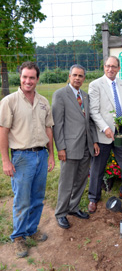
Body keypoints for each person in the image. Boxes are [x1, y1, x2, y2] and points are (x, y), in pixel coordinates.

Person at [0, 61, 55, 258]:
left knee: (38, 198)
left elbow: (49, 128)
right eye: (25, 77)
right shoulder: (9, 101)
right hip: (22, 157)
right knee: (22, 200)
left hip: (41, 154)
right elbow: (3, 132)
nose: (28, 81)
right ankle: (18, 237)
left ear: (37, 79)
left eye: (32, 77)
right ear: (20, 78)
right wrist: (6, 161)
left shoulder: (43, 102)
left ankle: (32, 230)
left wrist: (51, 155)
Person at [87, 56, 122, 213]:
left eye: (114, 66)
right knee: (98, 168)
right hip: (103, 133)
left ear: (118, 69)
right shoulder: (95, 85)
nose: (110, 69)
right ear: (104, 67)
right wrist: (105, 128)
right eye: (107, 66)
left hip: (120, 132)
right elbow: (93, 111)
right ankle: (93, 198)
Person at [52, 64, 100, 229]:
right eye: (75, 75)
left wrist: (93, 141)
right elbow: (57, 124)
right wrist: (61, 148)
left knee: (80, 181)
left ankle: (73, 207)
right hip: (70, 147)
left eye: (81, 76)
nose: (77, 78)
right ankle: (61, 213)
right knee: (66, 183)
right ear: (69, 76)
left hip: (86, 147)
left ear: (84, 78)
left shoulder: (85, 96)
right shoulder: (60, 95)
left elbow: (90, 122)